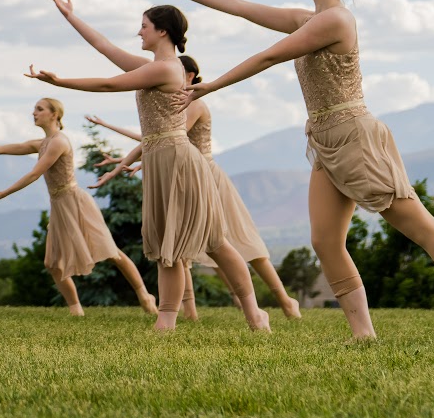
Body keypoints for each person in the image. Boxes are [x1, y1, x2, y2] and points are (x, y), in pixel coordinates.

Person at [145, 0, 434, 339]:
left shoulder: (335, 20)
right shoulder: (307, 19)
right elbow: (241, 7)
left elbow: (269, 56)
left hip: (355, 136)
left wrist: (213, 85)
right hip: (325, 141)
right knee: (325, 241)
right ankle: (364, 336)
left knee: (421, 228)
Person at [28, 0, 268, 332]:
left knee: (214, 242)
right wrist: (71, 16)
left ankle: (254, 314)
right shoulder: (152, 66)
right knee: (165, 243)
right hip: (159, 160)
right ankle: (166, 320)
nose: (139, 32)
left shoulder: (166, 69)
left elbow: (109, 84)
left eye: (144, 26)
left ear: (162, 31)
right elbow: (104, 47)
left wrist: (60, 82)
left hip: (178, 160)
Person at [86, 54, 302, 319]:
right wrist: (126, 155)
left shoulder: (195, 103)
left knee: (242, 243)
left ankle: (284, 301)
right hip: (182, 173)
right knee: (183, 243)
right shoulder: (174, 102)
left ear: (188, 76)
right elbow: (156, 137)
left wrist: (132, 155)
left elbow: (169, 137)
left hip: (205, 175)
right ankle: (191, 310)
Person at [0, 98, 156, 316]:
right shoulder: (42, 143)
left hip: (76, 202)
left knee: (111, 252)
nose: (34, 113)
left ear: (54, 114)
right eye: (34, 109)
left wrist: (3, 194)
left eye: (39, 109)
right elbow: (1, 149)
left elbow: (34, 173)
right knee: (53, 263)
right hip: (59, 205)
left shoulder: (59, 142)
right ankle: (76, 311)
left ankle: (144, 295)